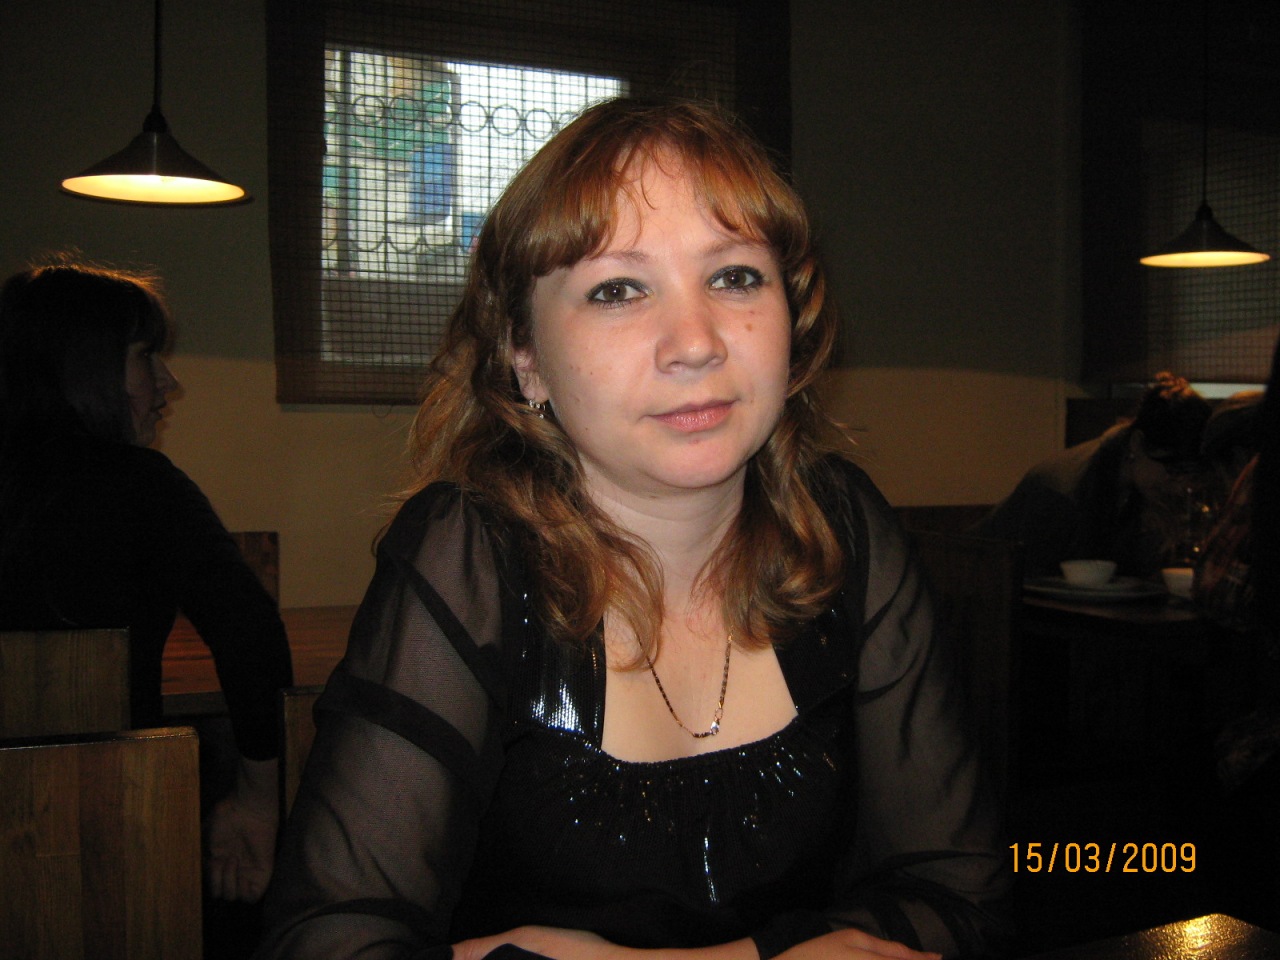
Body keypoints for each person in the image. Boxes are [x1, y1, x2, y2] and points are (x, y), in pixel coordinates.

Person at [256, 98, 1009, 960]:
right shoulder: (469, 557)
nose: (695, 342)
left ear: (793, 323)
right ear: (525, 358)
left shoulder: (846, 530)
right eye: (617, 289)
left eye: (735, 277)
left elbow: (963, 893)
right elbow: (327, 938)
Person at [0, 259, 294, 904]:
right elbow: (249, 631)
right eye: (144, 356)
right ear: (84, 367)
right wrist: (258, 800)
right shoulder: (138, 486)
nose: (168, 382)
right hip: (114, 835)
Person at [971, 372, 1214, 578]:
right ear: (1137, 444)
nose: (1180, 486)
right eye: (1173, 470)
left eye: (1192, 475)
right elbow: (1029, 581)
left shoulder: (1136, 482)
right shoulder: (1064, 490)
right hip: (984, 586)